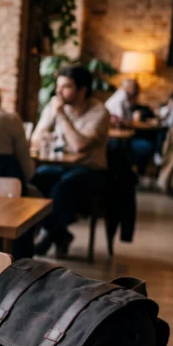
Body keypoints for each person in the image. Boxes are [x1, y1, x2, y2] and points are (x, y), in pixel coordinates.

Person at [30, 65, 110, 258]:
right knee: (35, 181)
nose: (58, 92)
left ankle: (49, 235)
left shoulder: (99, 112)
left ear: (82, 90)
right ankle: (60, 233)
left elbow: (79, 146)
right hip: (59, 166)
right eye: (58, 86)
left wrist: (61, 116)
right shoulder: (53, 107)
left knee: (63, 188)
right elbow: (35, 140)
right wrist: (51, 117)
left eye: (65, 87)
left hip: (91, 170)